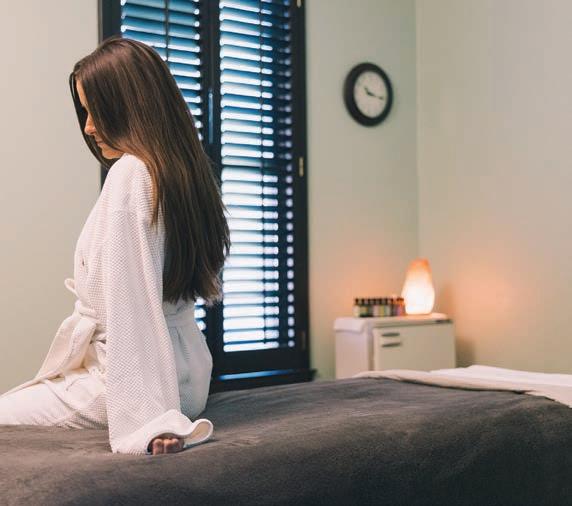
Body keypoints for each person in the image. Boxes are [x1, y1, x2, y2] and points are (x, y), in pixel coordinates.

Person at [0, 36, 231, 455]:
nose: (89, 127)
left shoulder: (131, 174)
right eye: (85, 112)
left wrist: (150, 421)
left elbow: (132, 304)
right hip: (189, 379)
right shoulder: (184, 175)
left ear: (130, 106)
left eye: (96, 110)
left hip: (130, 381)